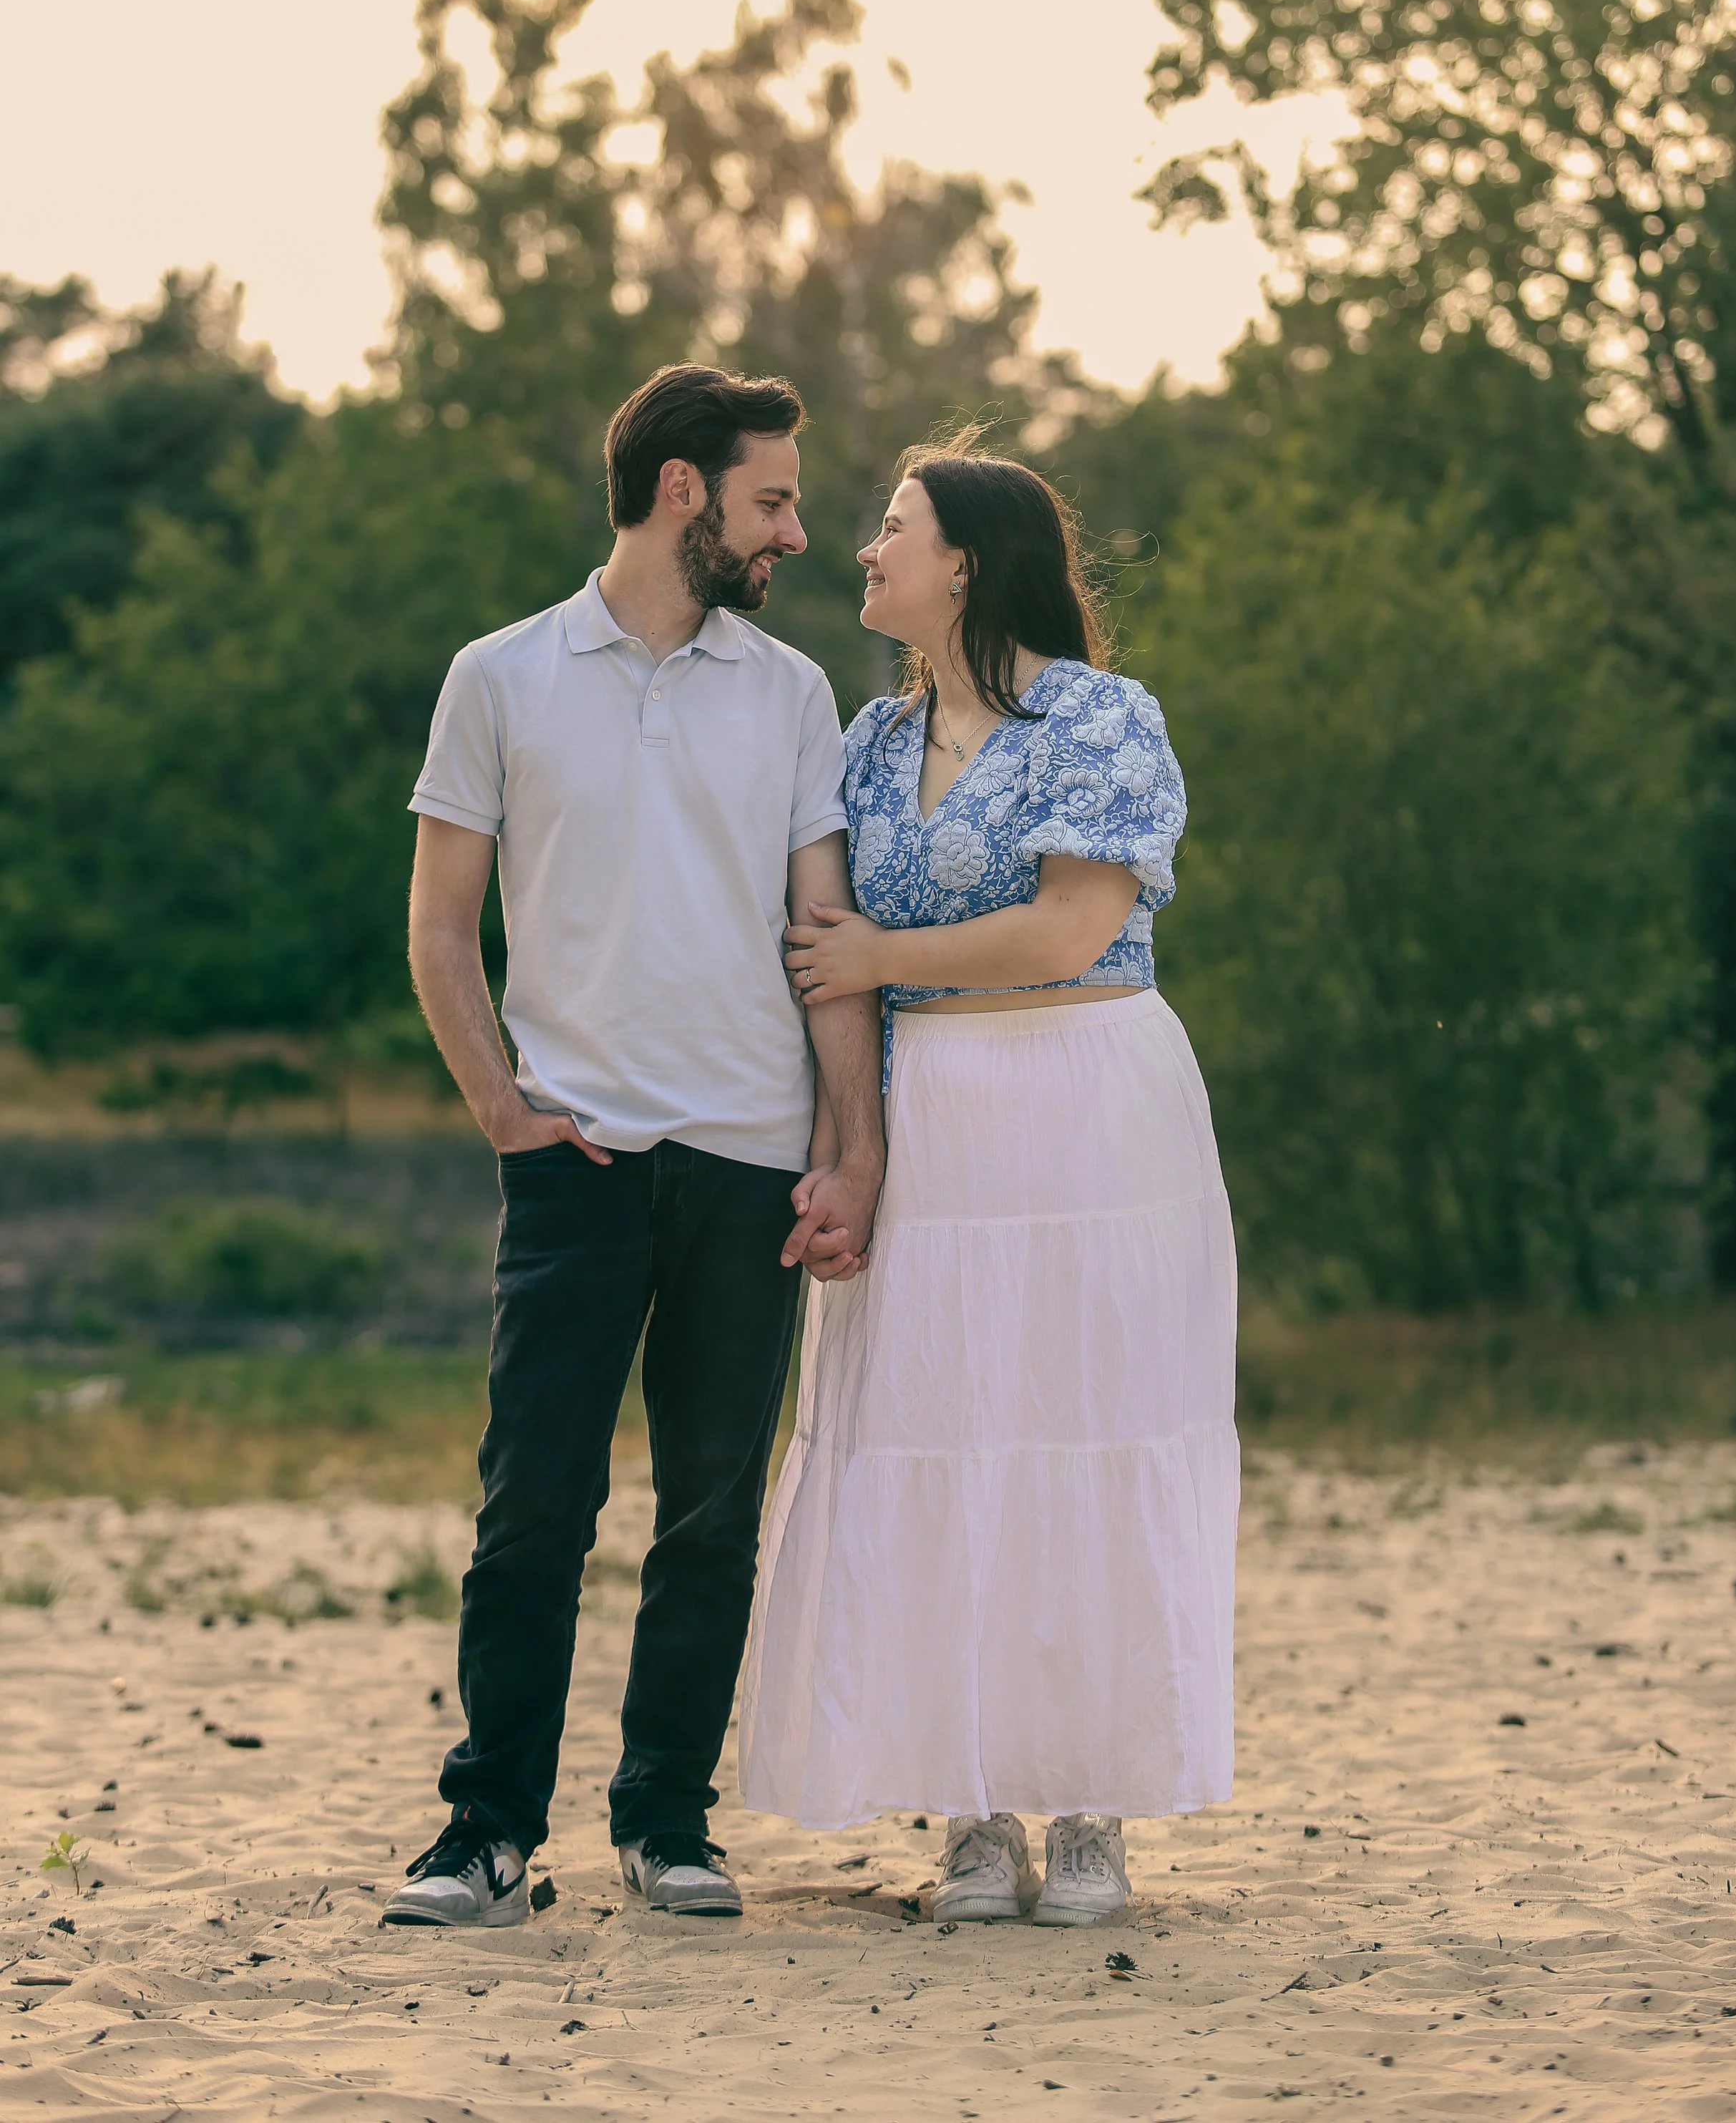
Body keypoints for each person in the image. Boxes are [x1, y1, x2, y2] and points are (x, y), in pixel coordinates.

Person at [381, 363, 883, 1930]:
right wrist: (506, 1117)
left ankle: (667, 1821)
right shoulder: (502, 676)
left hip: (747, 1162)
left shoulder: (792, 693)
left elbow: (823, 935)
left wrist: (842, 1146)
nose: (794, 531)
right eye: (772, 499)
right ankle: (486, 1834)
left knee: (711, 1515)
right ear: (684, 492)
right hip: (576, 1160)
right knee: (531, 1506)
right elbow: (440, 927)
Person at [738, 439, 1238, 1928]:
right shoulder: (862, 742)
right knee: (937, 1438)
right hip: (931, 1117)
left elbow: (1068, 926)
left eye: (891, 529)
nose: (863, 551)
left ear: (965, 558)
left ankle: (1089, 1814)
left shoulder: (1100, 716)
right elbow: (810, 933)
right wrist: (845, 1139)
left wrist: (879, 957)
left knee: (1085, 1436)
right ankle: (969, 1813)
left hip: (1086, 1100)